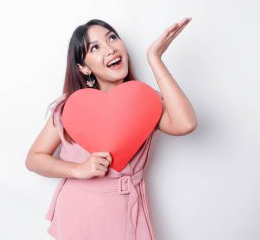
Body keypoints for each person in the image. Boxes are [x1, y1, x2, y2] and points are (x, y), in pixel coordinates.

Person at [25, 18, 197, 240]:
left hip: (125, 208)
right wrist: (78, 169)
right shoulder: (70, 107)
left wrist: (155, 59)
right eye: (95, 47)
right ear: (84, 67)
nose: (110, 48)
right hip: (80, 210)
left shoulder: (146, 102)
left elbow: (186, 123)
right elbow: (34, 158)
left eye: (112, 38)